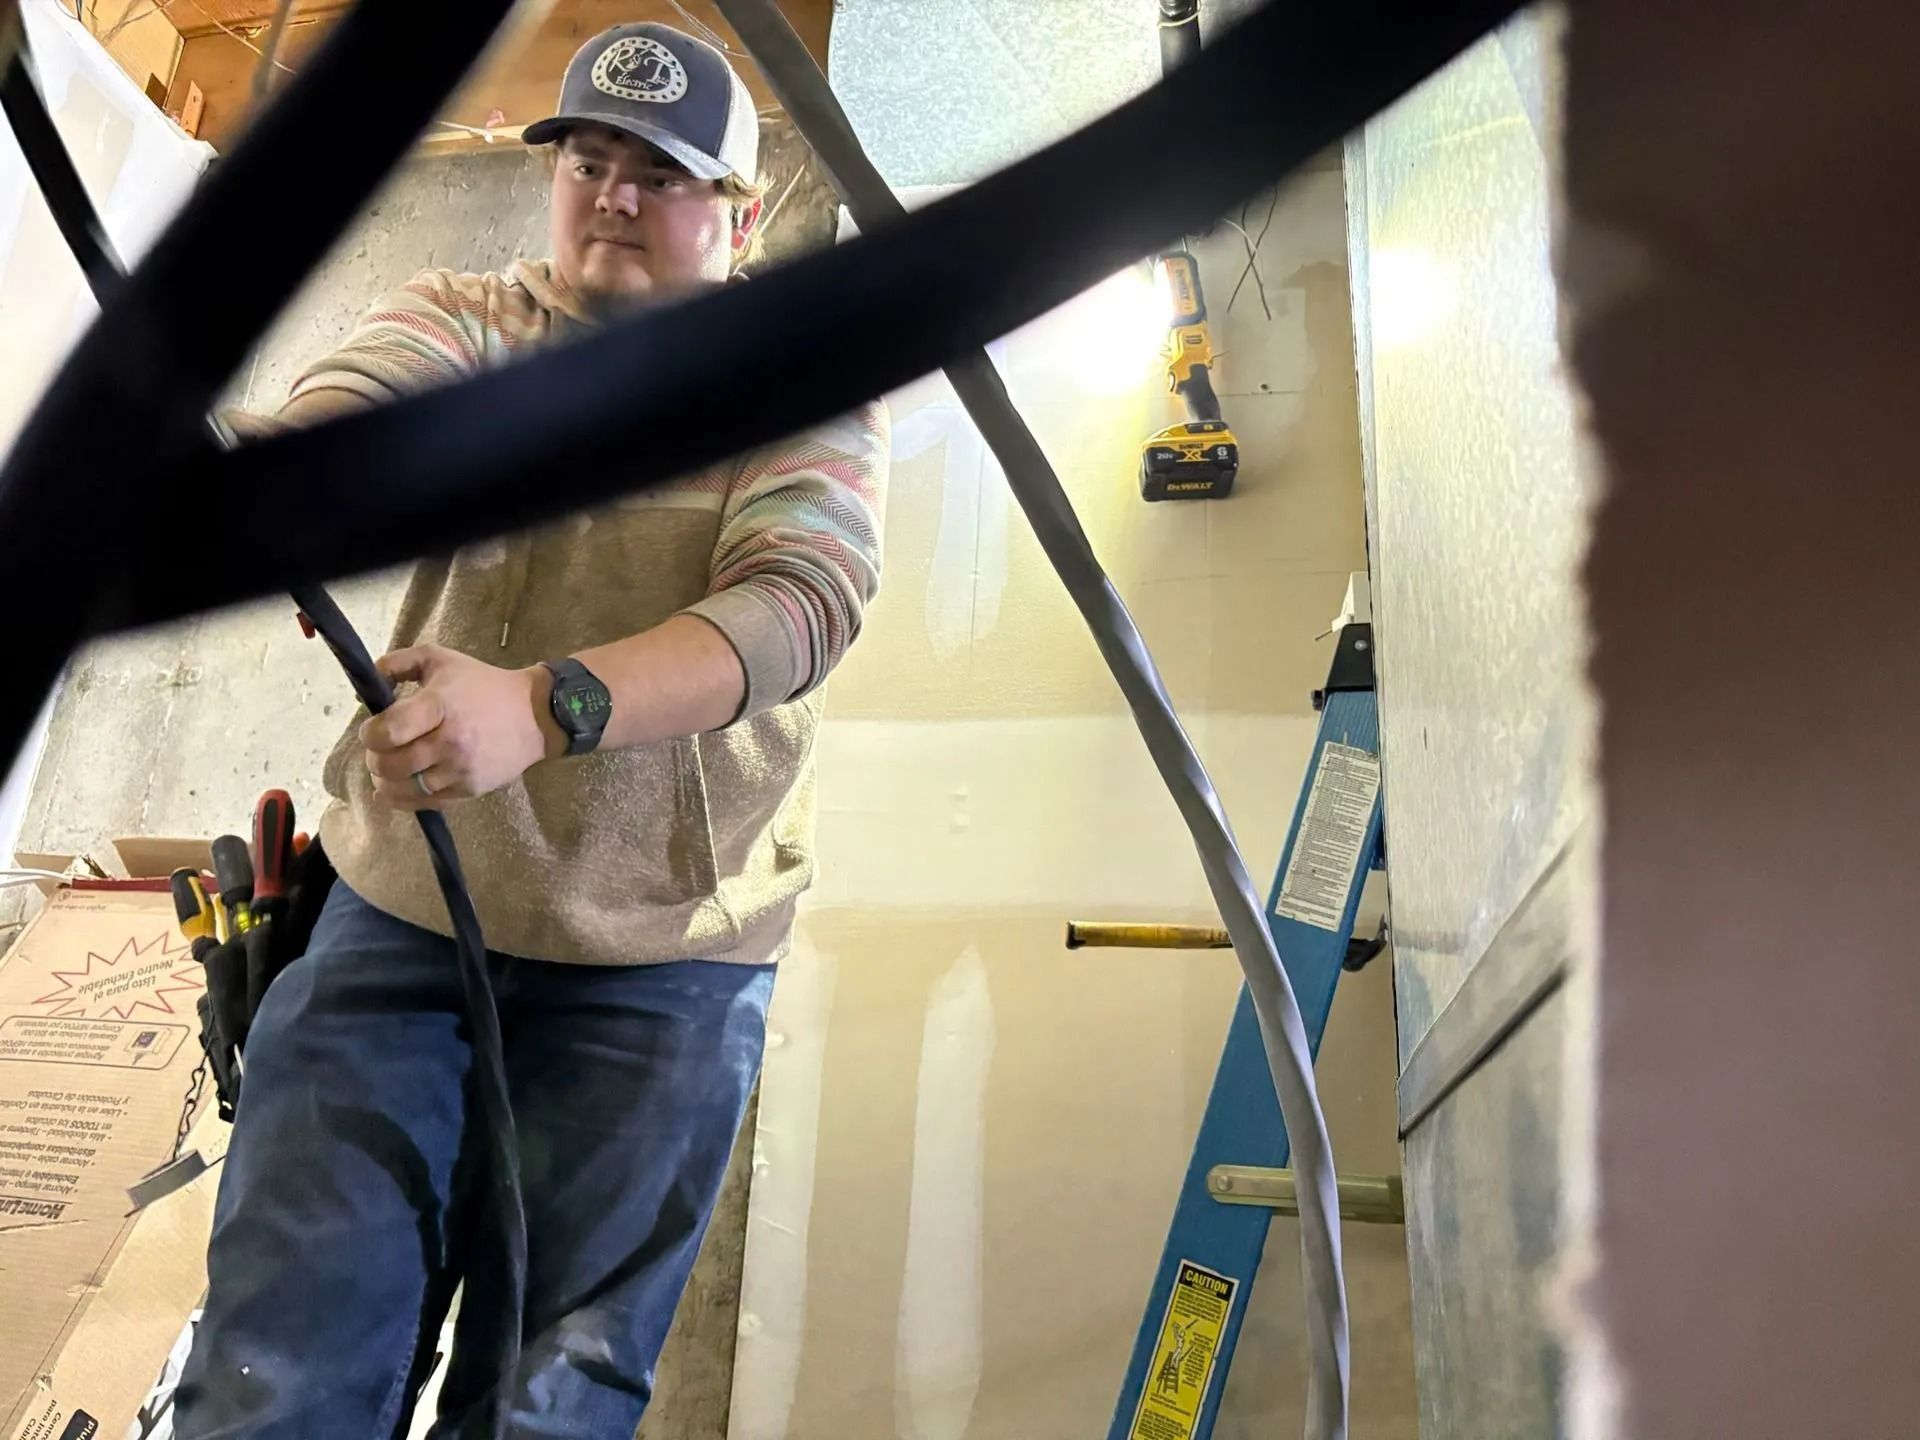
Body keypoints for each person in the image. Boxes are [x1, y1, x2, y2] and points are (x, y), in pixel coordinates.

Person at [175, 22, 888, 1438]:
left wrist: (542, 708)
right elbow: (350, 412)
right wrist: (270, 480)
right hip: (402, 917)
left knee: (547, 1400)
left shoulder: (794, 383)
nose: (614, 197)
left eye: (661, 175)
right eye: (590, 163)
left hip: (663, 962)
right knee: (282, 1362)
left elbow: (802, 606)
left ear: (738, 214)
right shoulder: (470, 320)